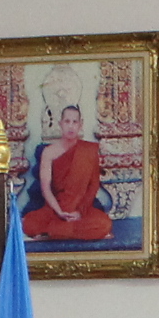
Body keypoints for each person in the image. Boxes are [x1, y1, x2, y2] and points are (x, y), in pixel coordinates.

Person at [20, 100, 112, 243]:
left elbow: (93, 186)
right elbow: (45, 188)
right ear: (60, 124)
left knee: (104, 223)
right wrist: (60, 212)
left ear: (80, 125)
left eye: (74, 122)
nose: (71, 126)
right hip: (55, 209)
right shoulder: (49, 152)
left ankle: (52, 233)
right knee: (29, 224)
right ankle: (67, 232)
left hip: (81, 211)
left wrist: (79, 212)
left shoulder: (88, 151)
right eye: (67, 121)